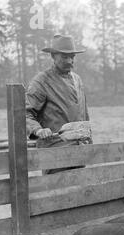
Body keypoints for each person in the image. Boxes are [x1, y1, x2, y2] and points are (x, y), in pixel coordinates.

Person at [26, 34, 91, 174]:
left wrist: (88, 140)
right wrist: (38, 130)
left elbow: (84, 115)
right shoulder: (41, 81)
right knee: (56, 193)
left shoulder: (77, 79)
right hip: (54, 154)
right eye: (64, 56)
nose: (69, 61)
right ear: (53, 56)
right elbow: (26, 113)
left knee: (80, 192)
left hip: (79, 152)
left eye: (72, 56)